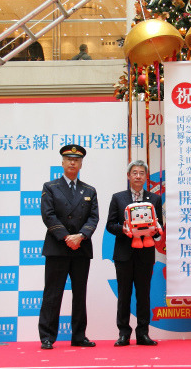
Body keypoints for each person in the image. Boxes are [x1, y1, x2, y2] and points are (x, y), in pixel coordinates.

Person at [38, 144, 99, 350]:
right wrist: (66, 237)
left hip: (81, 248)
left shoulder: (89, 190)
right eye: (69, 159)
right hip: (58, 247)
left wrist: (80, 236)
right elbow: (48, 215)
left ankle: (79, 335)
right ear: (62, 163)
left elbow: (93, 217)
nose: (72, 162)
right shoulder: (50, 187)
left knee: (79, 293)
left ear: (81, 163)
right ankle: (47, 336)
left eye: (76, 160)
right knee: (53, 293)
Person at [106, 160, 162, 347]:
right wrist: (124, 229)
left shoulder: (154, 199)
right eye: (135, 173)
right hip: (123, 254)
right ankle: (123, 333)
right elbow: (110, 225)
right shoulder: (118, 198)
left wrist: (154, 231)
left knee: (144, 294)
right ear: (128, 176)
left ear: (146, 177)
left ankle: (143, 333)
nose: (138, 176)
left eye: (142, 173)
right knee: (124, 294)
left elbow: (158, 224)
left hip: (145, 254)